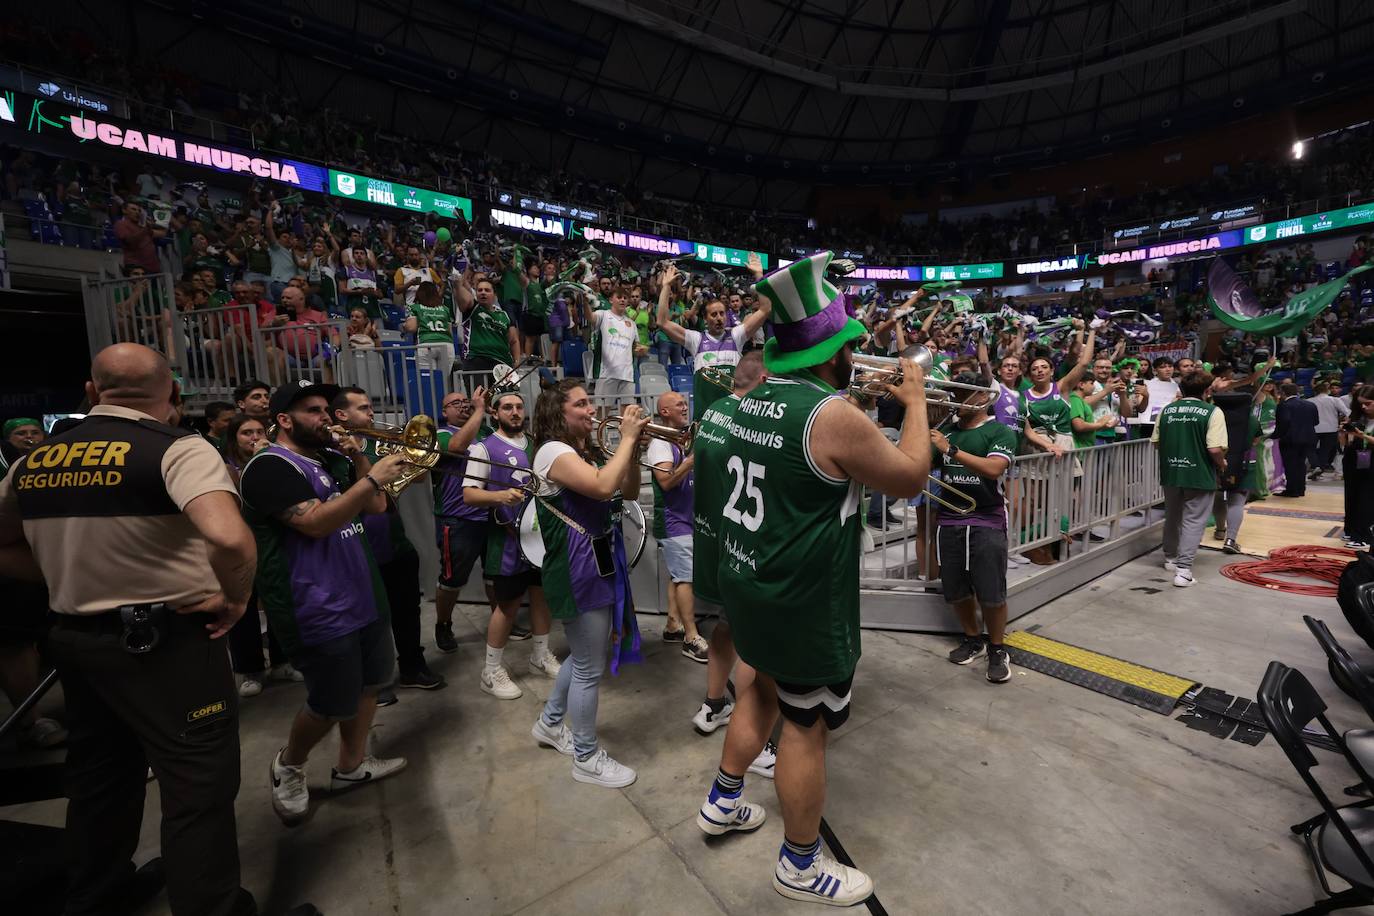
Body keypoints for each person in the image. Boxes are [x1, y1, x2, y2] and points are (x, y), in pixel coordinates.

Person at [0, 343, 277, 916]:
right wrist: (236, 596)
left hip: (76, 641)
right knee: (197, 787)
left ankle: (97, 895)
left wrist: (64, 573)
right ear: (172, 396)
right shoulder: (177, 448)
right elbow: (229, 538)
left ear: (93, 391)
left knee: (101, 780)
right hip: (164, 645)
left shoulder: (35, 461)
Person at [695, 252, 929, 907]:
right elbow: (910, 475)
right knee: (804, 728)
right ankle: (799, 864)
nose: (858, 352)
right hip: (803, 601)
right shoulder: (834, 417)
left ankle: (724, 800)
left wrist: (854, 401)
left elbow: (810, 440)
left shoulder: (749, 393)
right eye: (851, 344)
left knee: (758, 691)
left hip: (749, 584)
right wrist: (914, 402)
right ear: (832, 353)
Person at [238, 379, 411, 826]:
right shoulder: (268, 467)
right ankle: (289, 764)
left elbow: (374, 509)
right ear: (283, 420)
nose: (326, 417)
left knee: (372, 682)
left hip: (361, 589)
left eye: (326, 409)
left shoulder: (331, 458)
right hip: (315, 602)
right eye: (313, 411)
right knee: (331, 701)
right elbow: (313, 524)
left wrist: (358, 456)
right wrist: (371, 477)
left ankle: (351, 766)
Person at [529, 380, 648, 788]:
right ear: (556, 413)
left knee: (582, 659)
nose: (590, 409)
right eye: (580, 404)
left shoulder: (583, 450)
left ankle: (549, 724)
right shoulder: (552, 451)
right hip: (576, 568)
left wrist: (633, 451)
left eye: (589, 401)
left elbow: (627, 489)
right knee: (589, 667)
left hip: (596, 562)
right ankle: (585, 756)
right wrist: (628, 436)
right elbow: (600, 486)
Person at [331, 387, 446, 694]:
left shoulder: (379, 444)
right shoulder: (332, 452)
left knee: (407, 608)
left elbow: (419, 477)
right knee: (369, 616)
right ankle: (373, 680)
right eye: (364, 408)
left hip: (395, 538)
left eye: (370, 406)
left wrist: (411, 456)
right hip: (358, 545)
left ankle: (412, 666)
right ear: (341, 415)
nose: (371, 413)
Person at [461, 391, 562, 699]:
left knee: (541, 596)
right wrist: (499, 496)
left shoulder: (536, 444)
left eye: (519, 406)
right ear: (496, 413)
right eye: (508, 407)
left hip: (538, 537)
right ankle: (490, 672)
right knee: (507, 606)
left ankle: (539, 656)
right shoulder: (484, 447)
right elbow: (469, 494)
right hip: (505, 539)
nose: (515, 412)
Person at [691, 351, 769, 736]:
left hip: (714, 542)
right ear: (764, 378)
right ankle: (753, 731)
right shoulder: (750, 418)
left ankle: (714, 704)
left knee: (725, 630)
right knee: (758, 642)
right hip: (743, 545)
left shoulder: (715, 409)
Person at [932, 370, 1020, 683]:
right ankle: (973, 638)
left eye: (963, 392)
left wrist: (950, 451)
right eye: (953, 392)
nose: (956, 399)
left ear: (983, 397)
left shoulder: (999, 431)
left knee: (991, 591)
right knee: (955, 589)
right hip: (949, 517)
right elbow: (917, 461)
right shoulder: (947, 431)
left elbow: (995, 468)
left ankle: (997, 647)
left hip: (986, 518)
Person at [656, 261, 772, 419]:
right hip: (704, 416)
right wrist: (666, 287)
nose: (719, 318)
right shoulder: (695, 339)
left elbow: (765, 309)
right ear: (705, 318)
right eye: (714, 314)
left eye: (722, 314)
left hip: (731, 415)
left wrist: (759, 275)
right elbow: (662, 321)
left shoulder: (736, 335)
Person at [432, 388, 496, 654]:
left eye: (464, 402)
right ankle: (443, 624)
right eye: (453, 403)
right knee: (453, 578)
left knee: (496, 574)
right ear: (444, 411)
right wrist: (479, 410)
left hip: (490, 515)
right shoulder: (440, 434)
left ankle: (500, 621)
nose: (461, 406)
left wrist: (489, 414)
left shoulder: (485, 433)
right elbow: (458, 447)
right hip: (458, 518)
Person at [648, 391, 708, 661]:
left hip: (687, 517)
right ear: (665, 412)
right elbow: (666, 482)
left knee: (678, 575)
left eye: (685, 403)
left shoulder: (680, 438)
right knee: (686, 578)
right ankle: (691, 637)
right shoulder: (660, 444)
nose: (685, 408)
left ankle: (673, 625)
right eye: (678, 405)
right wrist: (691, 461)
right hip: (674, 521)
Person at [1152, 371, 1226, 587]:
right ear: (1207, 390)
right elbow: (1214, 448)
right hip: (1199, 474)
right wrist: (1222, 463)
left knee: (1173, 516)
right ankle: (1184, 571)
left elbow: (1156, 442)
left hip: (1171, 472)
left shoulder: (1167, 411)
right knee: (1194, 520)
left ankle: (1170, 559)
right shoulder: (1212, 412)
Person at [582, 283, 642, 404]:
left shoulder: (631, 323)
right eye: (619, 297)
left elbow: (636, 347)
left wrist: (640, 350)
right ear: (611, 300)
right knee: (602, 411)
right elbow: (590, 317)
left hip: (627, 374)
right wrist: (585, 303)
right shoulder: (603, 315)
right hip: (606, 373)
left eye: (625, 298)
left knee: (628, 411)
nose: (622, 300)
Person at [404, 280, 458, 381]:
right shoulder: (445, 309)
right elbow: (450, 331)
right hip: (446, 345)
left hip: (426, 344)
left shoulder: (415, 307)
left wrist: (404, 326)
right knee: (443, 381)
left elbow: (411, 327)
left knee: (428, 380)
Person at [1341, 385, 1374, 550]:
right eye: (1361, 403)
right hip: (1354, 460)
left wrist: (1362, 435)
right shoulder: (1358, 418)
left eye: (1368, 403)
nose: (1364, 407)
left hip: (1371, 462)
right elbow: (1345, 442)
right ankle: (1351, 529)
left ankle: (1364, 536)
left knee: (1366, 499)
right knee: (1352, 496)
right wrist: (1345, 433)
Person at [1274, 381, 1319, 497]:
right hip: (1308, 438)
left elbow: (1283, 423)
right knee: (1301, 464)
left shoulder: (1284, 405)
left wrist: (1274, 436)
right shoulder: (1310, 404)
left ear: (1283, 393)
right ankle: (1300, 489)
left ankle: (1292, 490)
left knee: (1290, 465)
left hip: (1290, 440)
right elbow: (1316, 422)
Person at [1308, 380, 1350, 481]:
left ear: (1315, 391)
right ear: (1327, 391)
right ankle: (1320, 469)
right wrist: (1345, 423)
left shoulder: (1308, 401)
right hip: (1331, 428)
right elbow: (1347, 412)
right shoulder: (1335, 400)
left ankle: (1316, 466)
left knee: (1309, 448)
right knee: (1325, 451)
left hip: (1313, 428)